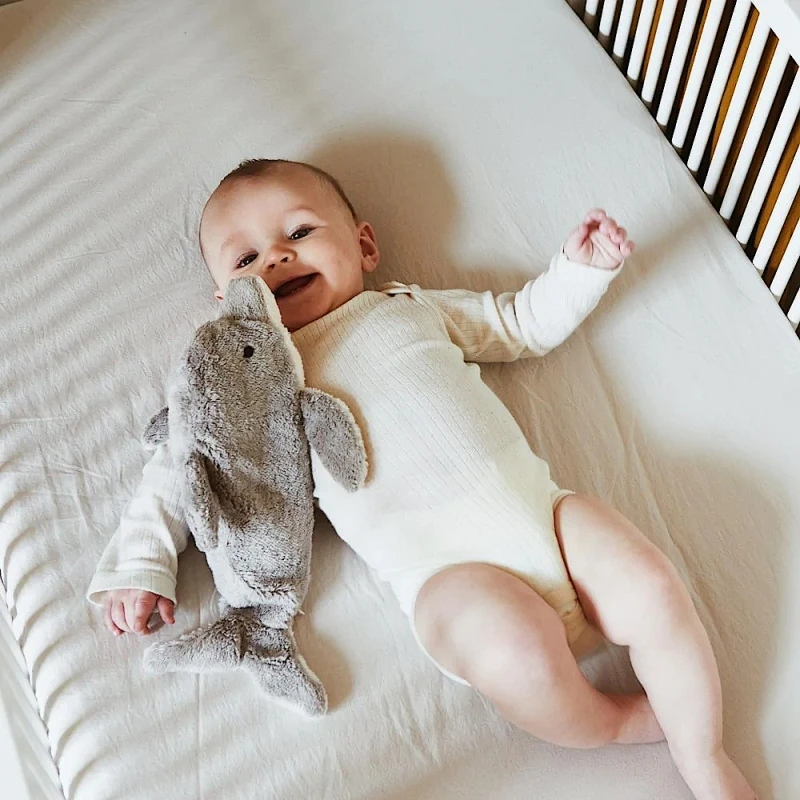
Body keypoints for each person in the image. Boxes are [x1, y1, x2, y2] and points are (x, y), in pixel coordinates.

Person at [88, 159, 756, 800]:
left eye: (299, 231)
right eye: (245, 260)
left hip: (548, 521)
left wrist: (581, 269)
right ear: (227, 302)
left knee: (651, 584)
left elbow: (518, 324)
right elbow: (186, 463)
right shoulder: (253, 381)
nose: (277, 258)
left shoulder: (409, 305)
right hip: (449, 580)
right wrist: (142, 563)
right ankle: (617, 722)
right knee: (515, 651)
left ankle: (703, 752)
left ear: (364, 245)